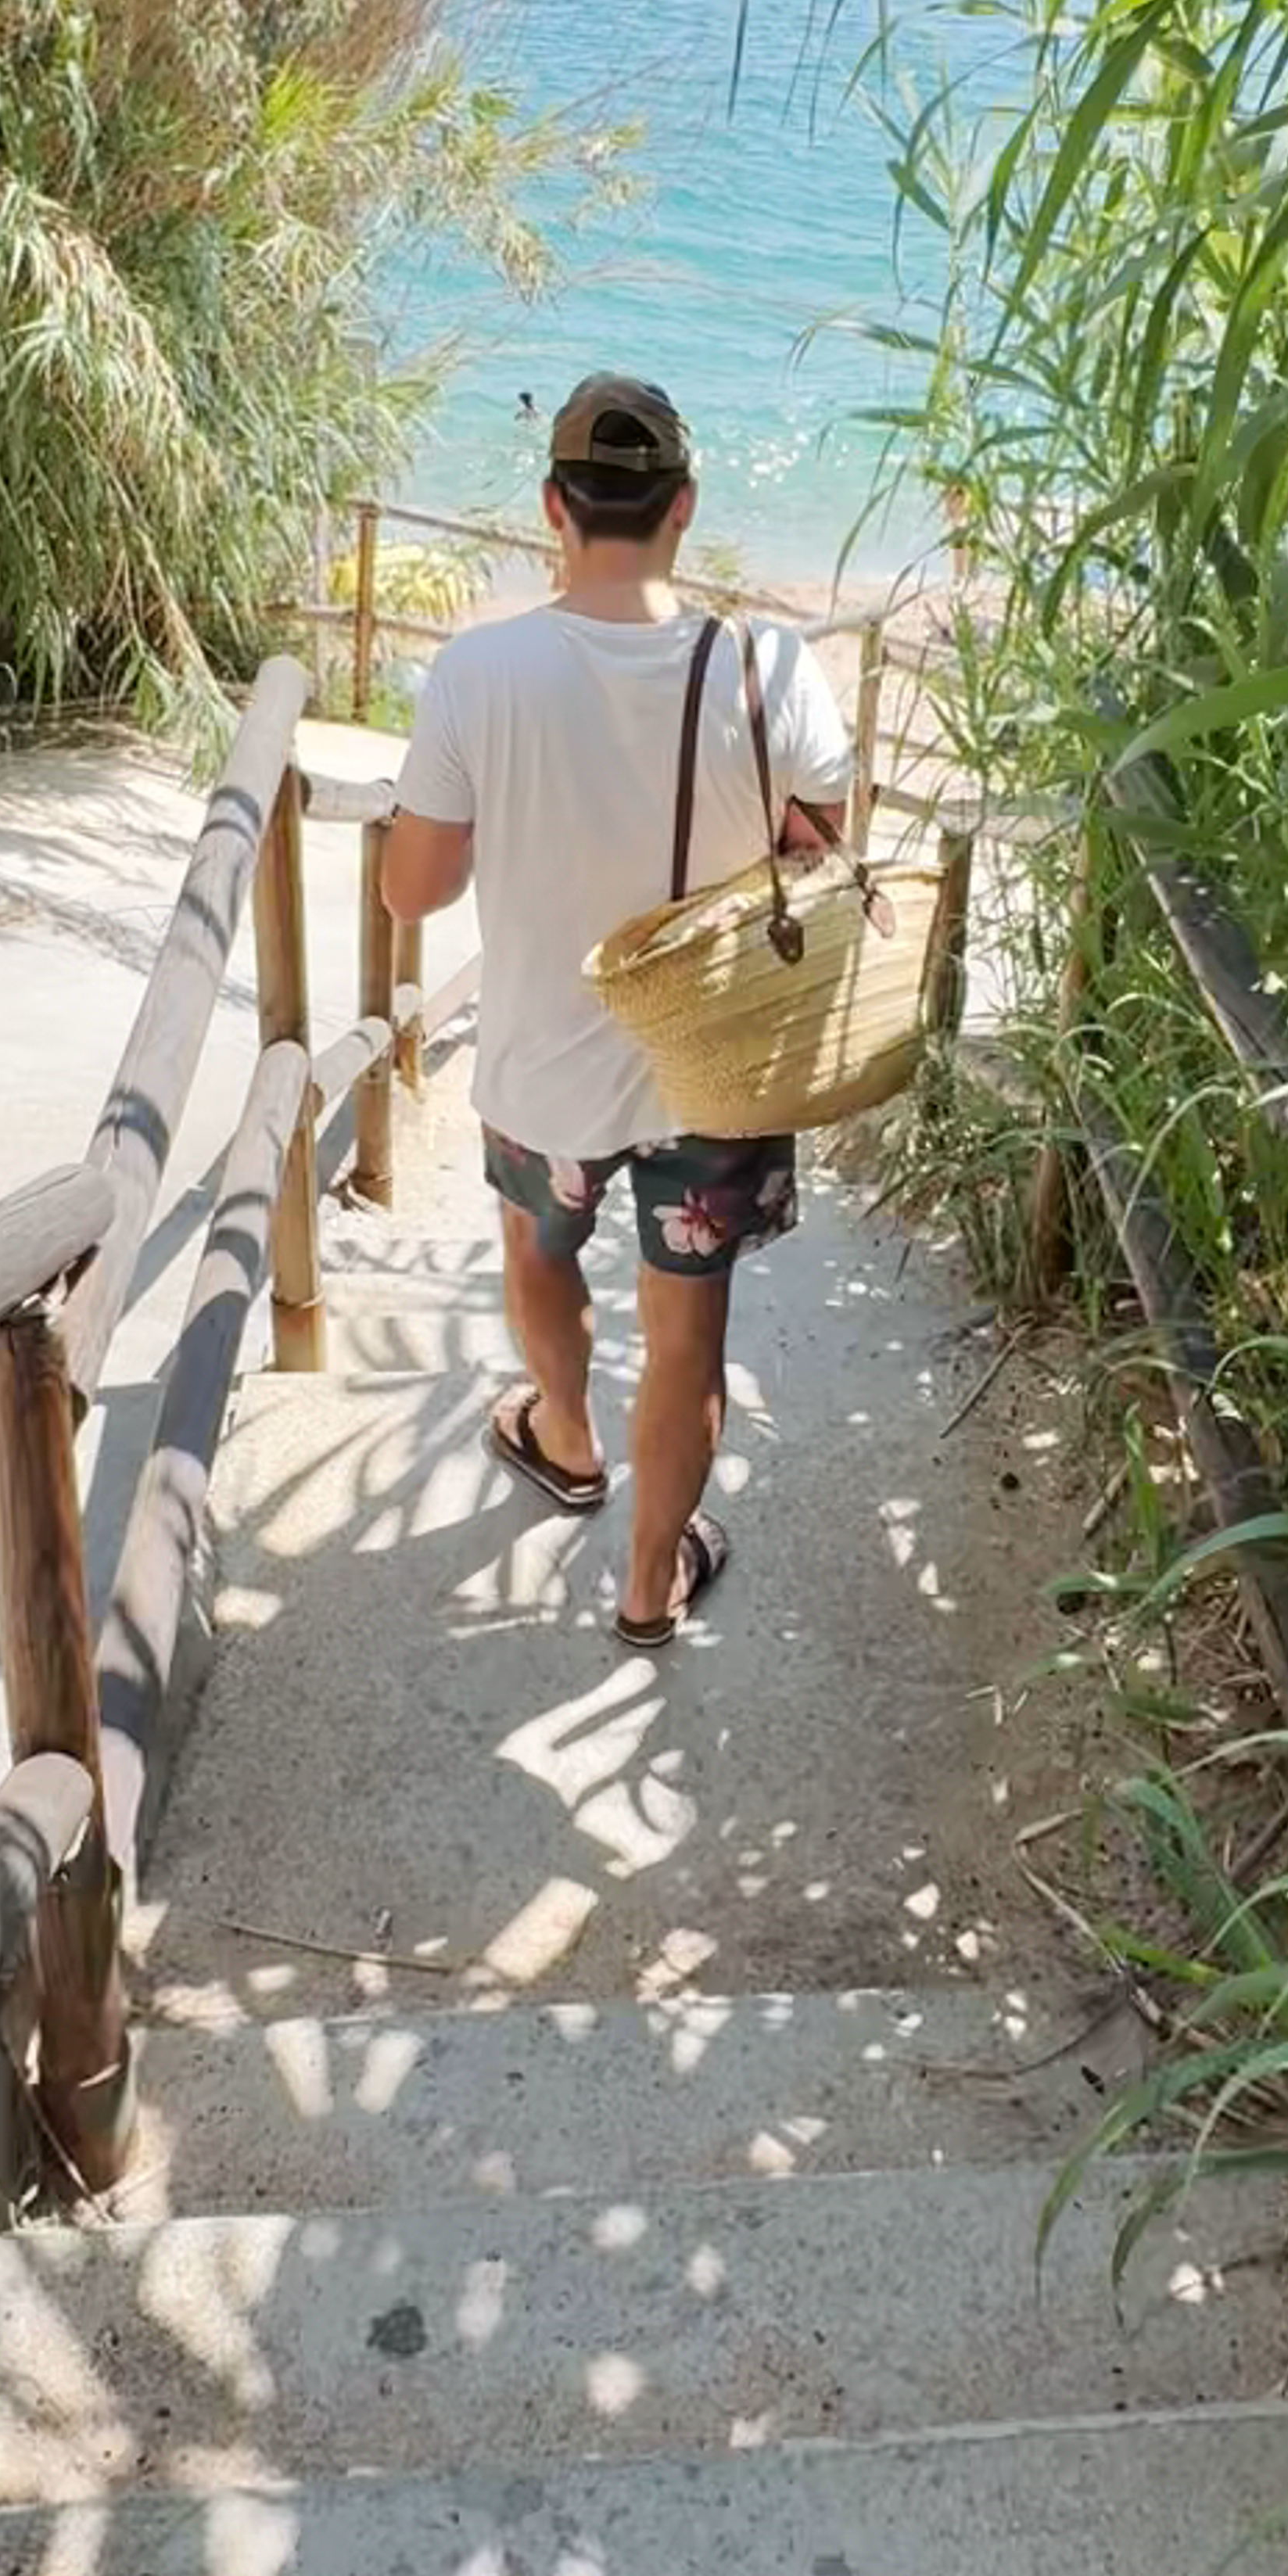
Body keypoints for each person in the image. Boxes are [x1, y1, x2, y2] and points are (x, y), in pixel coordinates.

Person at [379, 374, 850, 1649]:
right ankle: (650, 1584)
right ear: (683, 509)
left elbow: (411, 891)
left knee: (537, 1253)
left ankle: (565, 1437)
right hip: (714, 1070)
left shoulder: (480, 672)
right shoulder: (769, 665)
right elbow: (830, 850)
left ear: (553, 509)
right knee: (688, 1328)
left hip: (542, 1065)